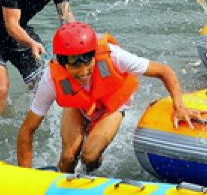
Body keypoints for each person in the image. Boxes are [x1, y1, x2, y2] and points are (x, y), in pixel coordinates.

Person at [16, 22, 193, 173]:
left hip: (112, 106)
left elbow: (164, 71)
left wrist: (179, 106)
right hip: (78, 105)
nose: (84, 69)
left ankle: (90, 174)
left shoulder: (114, 56)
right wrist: (25, 177)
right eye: (75, 62)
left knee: (89, 156)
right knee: (68, 158)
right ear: (62, 62)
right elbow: (27, 129)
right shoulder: (51, 78)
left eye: (87, 59)